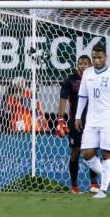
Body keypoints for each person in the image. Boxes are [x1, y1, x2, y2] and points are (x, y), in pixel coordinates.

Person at [57, 55, 99, 193]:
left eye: (85, 63)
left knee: (92, 151)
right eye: (80, 63)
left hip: (93, 121)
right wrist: (60, 119)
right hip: (75, 122)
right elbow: (63, 99)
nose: (82, 66)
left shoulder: (96, 79)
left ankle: (94, 185)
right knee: (75, 152)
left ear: (90, 65)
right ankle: (74, 187)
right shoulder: (70, 80)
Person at [75, 44, 110, 199]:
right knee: (86, 154)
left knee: (106, 153)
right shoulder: (88, 73)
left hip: (107, 119)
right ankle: (106, 175)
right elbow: (83, 96)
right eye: (94, 57)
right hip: (90, 120)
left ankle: (103, 189)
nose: (96, 60)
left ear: (105, 57)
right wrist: (77, 116)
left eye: (99, 57)